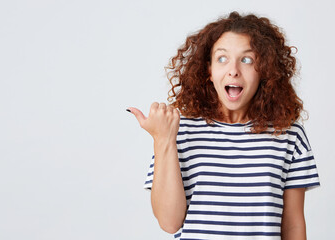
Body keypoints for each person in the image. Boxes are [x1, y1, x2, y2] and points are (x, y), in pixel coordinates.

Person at [127, 11, 320, 240]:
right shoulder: (178, 131)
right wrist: (163, 140)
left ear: (264, 70)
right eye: (222, 58)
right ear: (208, 71)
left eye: (247, 59)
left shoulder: (289, 135)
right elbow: (169, 223)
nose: (233, 70)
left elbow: (294, 225)